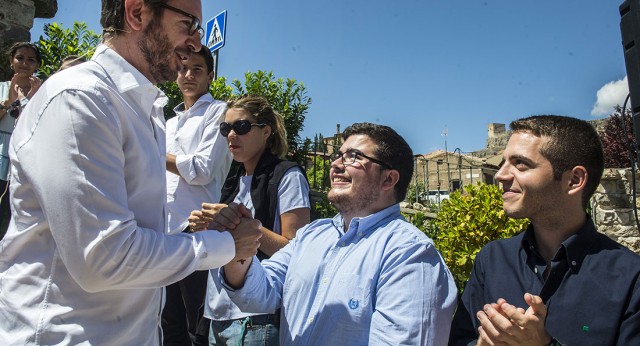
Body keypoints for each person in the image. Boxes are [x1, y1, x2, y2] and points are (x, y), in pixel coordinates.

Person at [0, 1, 262, 345]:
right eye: (188, 24)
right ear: (136, 13)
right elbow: (104, 256)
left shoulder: (145, 110)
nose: (196, 42)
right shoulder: (81, 97)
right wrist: (225, 244)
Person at [198, 122, 457, 345]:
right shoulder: (312, 235)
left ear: (388, 180)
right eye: (339, 156)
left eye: (353, 157)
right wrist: (239, 252)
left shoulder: (409, 254)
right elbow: (258, 295)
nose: (335, 165)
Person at [449, 115, 640, 345]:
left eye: (520, 164)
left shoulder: (630, 279)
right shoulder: (492, 260)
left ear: (574, 180)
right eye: (504, 162)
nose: (500, 175)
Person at [189, 94, 311, 345]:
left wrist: (241, 225)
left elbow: (298, 251)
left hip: (257, 319)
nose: (231, 135)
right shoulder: (232, 181)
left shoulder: (287, 176)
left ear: (266, 132)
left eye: (241, 127)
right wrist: (205, 227)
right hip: (217, 313)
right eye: (225, 128)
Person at [162, 47, 232, 345]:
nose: (188, 75)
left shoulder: (219, 111)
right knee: (167, 320)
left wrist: (153, 153)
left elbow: (202, 169)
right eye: (182, 69)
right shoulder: (168, 122)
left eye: (197, 69)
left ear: (210, 75)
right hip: (164, 229)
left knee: (198, 323)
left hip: (198, 228)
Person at [0, 42, 42, 237]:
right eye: (20, 58)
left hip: (23, 163)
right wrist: (7, 102)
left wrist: (33, 100)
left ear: (37, 65)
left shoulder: (42, 93)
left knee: (12, 216)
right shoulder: (1, 88)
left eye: (30, 60)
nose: (24, 63)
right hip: (0, 155)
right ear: (11, 61)